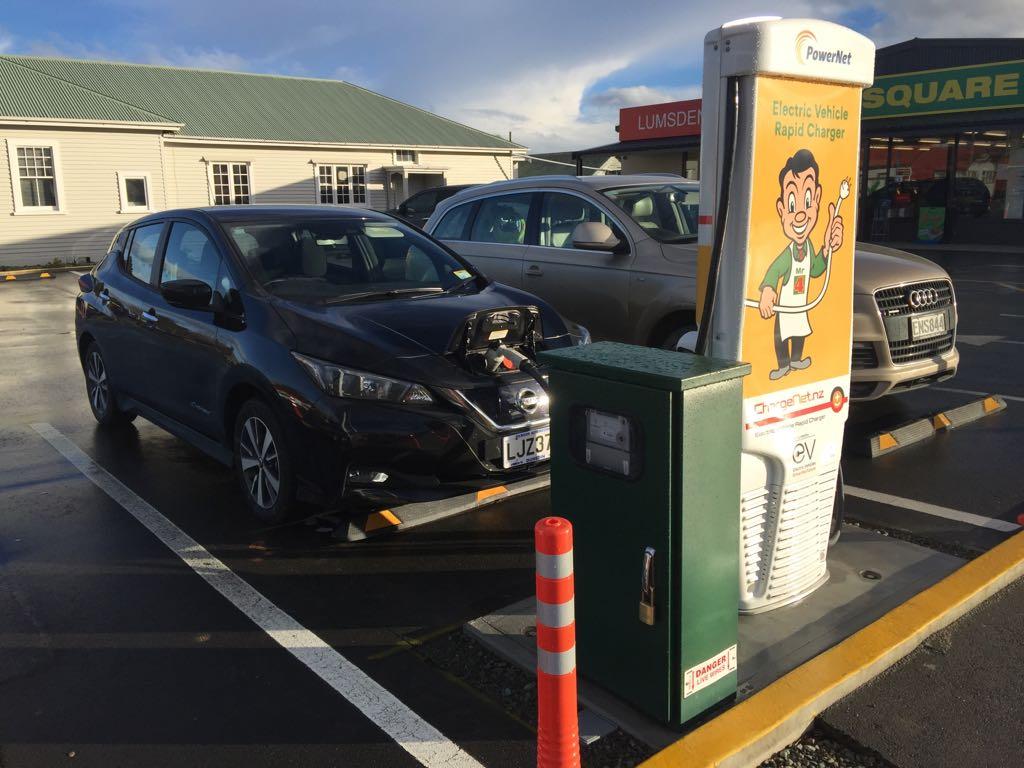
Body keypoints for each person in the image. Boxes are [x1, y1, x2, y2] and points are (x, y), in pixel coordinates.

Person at [757, 149, 844, 380]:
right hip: (785, 306)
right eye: (793, 204)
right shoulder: (787, 254)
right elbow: (773, 270)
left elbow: (816, 270)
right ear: (782, 209)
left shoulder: (808, 248)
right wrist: (767, 290)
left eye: (807, 201)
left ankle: (796, 359)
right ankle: (783, 364)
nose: (800, 215)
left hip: (801, 305)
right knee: (781, 335)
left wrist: (827, 250)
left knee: (800, 331)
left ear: (816, 199)